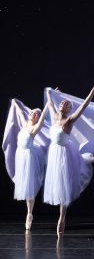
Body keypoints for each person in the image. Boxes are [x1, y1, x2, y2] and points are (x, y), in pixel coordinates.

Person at [44, 80, 94, 237]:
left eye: (67, 104)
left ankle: (62, 219)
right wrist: (50, 93)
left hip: (64, 154)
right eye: (62, 102)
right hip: (54, 153)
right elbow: (50, 104)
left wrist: (93, 90)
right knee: (58, 182)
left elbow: (84, 106)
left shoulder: (69, 121)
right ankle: (91, 159)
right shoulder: (54, 116)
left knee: (64, 186)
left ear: (70, 109)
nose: (63, 104)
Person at [10, 98, 49, 230]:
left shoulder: (34, 128)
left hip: (29, 157)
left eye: (36, 114)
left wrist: (49, 101)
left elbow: (43, 116)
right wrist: (15, 103)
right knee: (25, 187)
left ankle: (29, 214)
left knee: (29, 187)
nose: (33, 114)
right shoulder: (24, 124)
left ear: (37, 118)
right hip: (20, 156)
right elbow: (21, 113)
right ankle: (29, 213)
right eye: (32, 112)